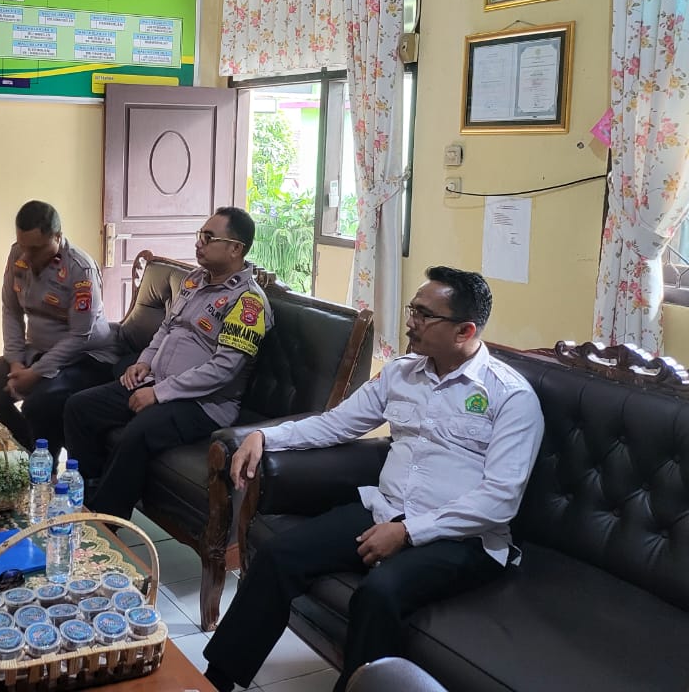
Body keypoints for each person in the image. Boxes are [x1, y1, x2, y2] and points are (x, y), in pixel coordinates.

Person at [202, 266, 545, 692]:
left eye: (424, 314)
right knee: (278, 555)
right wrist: (264, 436)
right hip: (384, 510)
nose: (410, 321)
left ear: (465, 330)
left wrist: (407, 532)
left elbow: (500, 499)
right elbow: (336, 424)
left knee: (378, 593)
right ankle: (214, 682)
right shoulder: (402, 373)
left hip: (463, 538)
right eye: (412, 309)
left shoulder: (509, 396)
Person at [63, 207, 271, 519]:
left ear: (235, 248)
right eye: (200, 235)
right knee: (79, 407)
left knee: (139, 432)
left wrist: (159, 394)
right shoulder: (194, 281)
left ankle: (105, 521)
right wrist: (144, 362)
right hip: (158, 382)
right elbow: (167, 327)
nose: (199, 243)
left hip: (204, 405)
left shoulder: (248, 302)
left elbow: (223, 371)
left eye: (208, 237)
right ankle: (87, 493)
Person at [0, 200, 118, 462]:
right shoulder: (18, 255)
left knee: (39, 404)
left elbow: (80, 336)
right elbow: (11, 310)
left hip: (86, 358)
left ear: (57, 237)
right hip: (37, 351)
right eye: (23, 246)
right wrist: (16, 362)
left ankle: (40, 465)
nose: (27, 256)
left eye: (36, 249)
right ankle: (30, 452)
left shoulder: (80, 269)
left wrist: (36, 373)